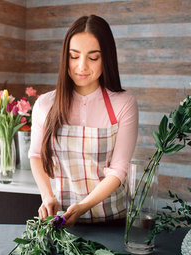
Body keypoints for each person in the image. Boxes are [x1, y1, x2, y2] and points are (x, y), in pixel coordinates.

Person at [28, 15, 138, 228]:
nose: (82, 66)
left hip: (113, 220)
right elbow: (35, 156)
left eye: (93, 57)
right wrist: (47, 196)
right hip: (63, 220)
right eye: (74, 56)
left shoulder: (124, 104)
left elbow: (118, 170)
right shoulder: (45, 104)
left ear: (106, 58)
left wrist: (83, 206)